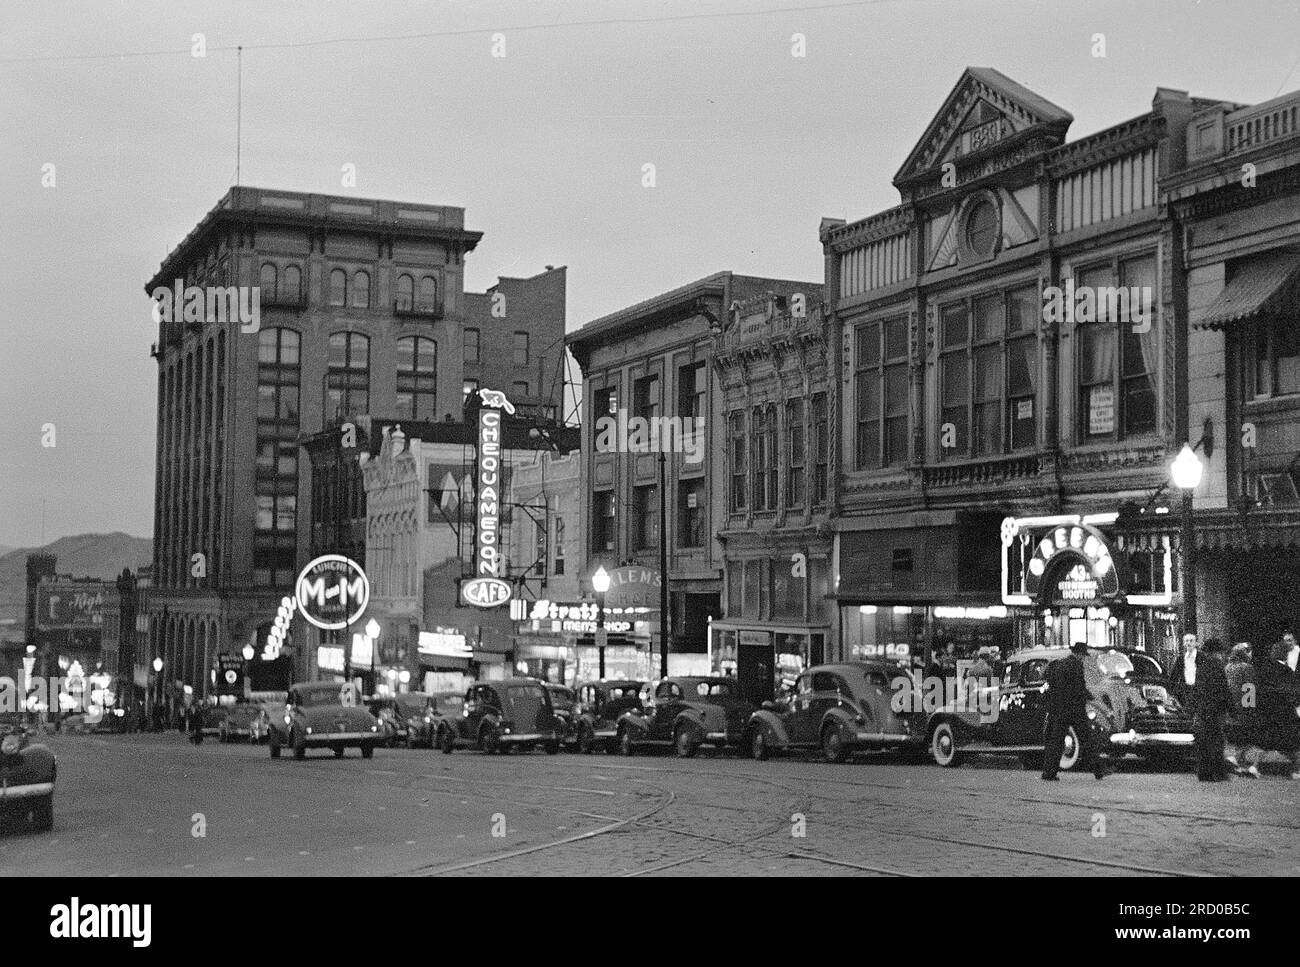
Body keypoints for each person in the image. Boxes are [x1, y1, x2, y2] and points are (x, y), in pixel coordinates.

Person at [1042, 641, 1107, 781]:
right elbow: (1079, 687)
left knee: (1057, 742)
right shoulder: (1076, 665)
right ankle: (1098, 770)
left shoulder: (1061, 664)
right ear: (1079, 654)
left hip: (1060, 709)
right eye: (1083, 655)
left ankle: (1049, 773)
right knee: (1086, 740)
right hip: (1075, 710)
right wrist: (1090, 697)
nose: (1083, 658)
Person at [1257, 635, 1300, 780]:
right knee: (1291, 742)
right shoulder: (1287, 671)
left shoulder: (1265, 668)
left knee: (1269, 741)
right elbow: (1292, 691)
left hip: (1269, 710)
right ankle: (1296, 770)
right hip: (1284, 711)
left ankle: (1255, 766)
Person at [1191, 637, 1231, 781]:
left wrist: (1195, 708)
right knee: (1217, 741)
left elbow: (1197, 689)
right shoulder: (1218, 666)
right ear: (1216, 652)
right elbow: (1223, 689)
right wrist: (1231, 708)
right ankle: (1219, 772)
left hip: (1203, 709)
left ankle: (1204, 772)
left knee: (1204, 742)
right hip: (1216, 709)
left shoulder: (1201, 667)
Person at [1224, 643, 1262, 777]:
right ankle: (1235, 759)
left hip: (1230, 709)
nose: (1251, 654)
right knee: (1250, 737)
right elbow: (1249, 688)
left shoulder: (1228, 667)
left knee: (1239, 738)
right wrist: (1250, 709)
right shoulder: (1247, 668)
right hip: (1243, 708)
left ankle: (1237, 762)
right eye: (1249, 652)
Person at [1168, 632, 1198, 707]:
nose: (1189, 643)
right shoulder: (1180, 659)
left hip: (1198, 692)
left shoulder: (1201, 658)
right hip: (1185, 692)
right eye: (1186, 641)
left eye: (1191, 641)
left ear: (1195, 643)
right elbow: (1173, 677)